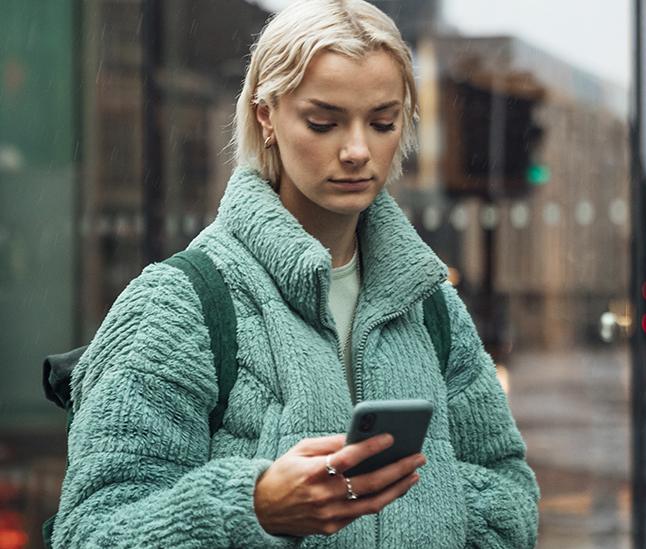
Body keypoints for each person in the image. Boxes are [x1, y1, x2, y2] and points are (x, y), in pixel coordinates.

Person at [51, 0, 540, 547]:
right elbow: (91, 531)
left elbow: (511, 495)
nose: (358, 150)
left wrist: (432, 505)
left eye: (382, 122)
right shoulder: (179, 304)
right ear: (266, 116)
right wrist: (255, 508)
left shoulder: (431, 305)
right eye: (323, 122)